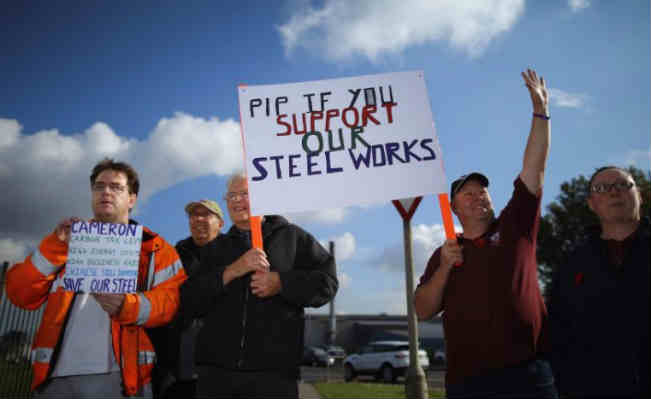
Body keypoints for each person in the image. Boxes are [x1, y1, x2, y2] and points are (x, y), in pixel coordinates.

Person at [414, 69, 556, 398]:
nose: (478, 197)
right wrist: (446, 267)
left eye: (483, 192)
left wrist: (541, 113)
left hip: (528, 374)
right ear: (453, 208)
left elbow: (534, 168)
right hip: (468, 381)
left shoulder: (516, 225)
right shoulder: (444, 252)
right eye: (468, 193)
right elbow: (422, 309)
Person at [5, 158, 186, 398]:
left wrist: (127, 306)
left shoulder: (156, 250)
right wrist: (54, 247)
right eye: (99, 186)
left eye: (117, 187)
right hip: (55, 377)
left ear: (132, 199)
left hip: (119, 378)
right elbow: (19, 294)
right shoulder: (64, 240)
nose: (106, 192)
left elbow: (170, 304)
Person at [180, 173, 338, 398]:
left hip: (275, 376)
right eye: (231, 196)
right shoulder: (214, 249)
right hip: (216, 376)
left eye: (244, 194)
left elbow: (327, 283)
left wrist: (282, 282)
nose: (236, 201)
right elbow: (189, 300)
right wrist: (233, 270)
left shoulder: (293, 237)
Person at [548, 166, 649, 398]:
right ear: (591, 203)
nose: (614, 192)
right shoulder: (571, 265)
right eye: (602, 188)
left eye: (623, 185)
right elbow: (557, 334)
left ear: (639, 196)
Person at [152, 199, 225, 398]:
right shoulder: (174, 254)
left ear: (220, 223)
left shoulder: (234, 254)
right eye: (194, 215)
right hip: (177, 359)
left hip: (220, 360)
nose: (198, 219)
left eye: (206, 214)